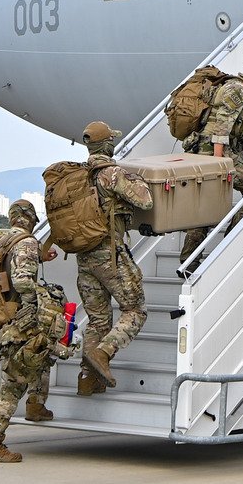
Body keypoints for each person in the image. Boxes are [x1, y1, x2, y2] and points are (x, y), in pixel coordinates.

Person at [178, 50, 243, 272]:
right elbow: (221, 124)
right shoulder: (239, 89)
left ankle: (188, 262)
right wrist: (218, 163)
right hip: (214, 153)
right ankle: (227, 247)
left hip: (212, 152)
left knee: (206, 207)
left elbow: (237, 136)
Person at [0, 199, 62, 463]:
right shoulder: (25, 243)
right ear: (30, 219)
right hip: (20, 322)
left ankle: (36, 404)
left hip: (6, 318)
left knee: (42, 356)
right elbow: (23, 281)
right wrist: (46, 296)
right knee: (12, 387)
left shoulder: (1, 241)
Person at [75, 121, 154, 395]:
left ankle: (87, 380)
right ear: (108, 145)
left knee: (97, 321)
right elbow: (145, 201)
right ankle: (104, 354)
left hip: (84, 258)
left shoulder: (77, 176)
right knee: (136, 310)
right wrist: (138, 181)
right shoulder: (111, 173)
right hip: (109, 254)